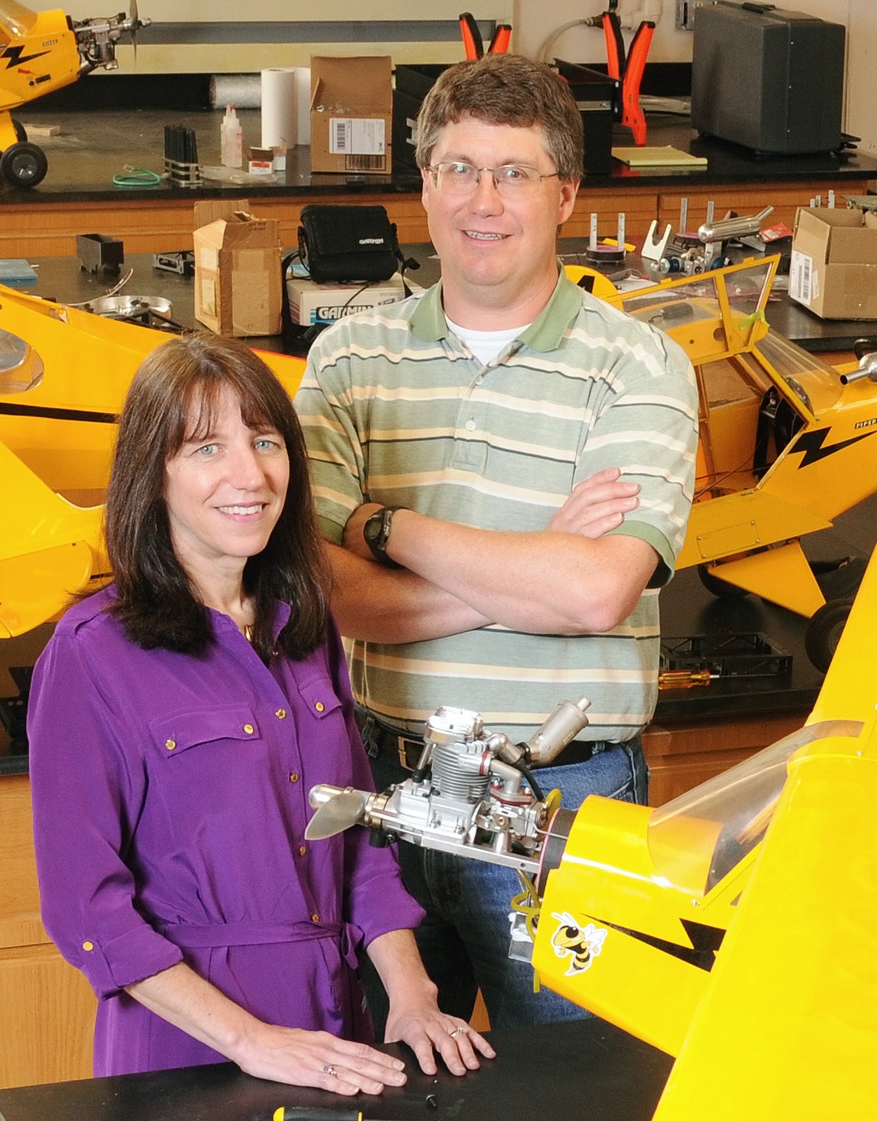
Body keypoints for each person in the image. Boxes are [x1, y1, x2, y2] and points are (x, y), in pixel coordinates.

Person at [297, 53, 698, 1027]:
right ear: (425, 186)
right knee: (373, 1082)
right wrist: (528, 567)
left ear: (565, 191)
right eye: (460, 169)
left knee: (578, 1092)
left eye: (513, 172)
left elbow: (595, 594)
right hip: (381, 793)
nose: (484, 200)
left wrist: (380, 524)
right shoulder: (350, 358)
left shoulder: (638, 366)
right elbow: (325, 590)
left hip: (556, 802)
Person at [30, 336, 490, 1092]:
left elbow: (357, 839)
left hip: (335, 1024)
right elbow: (86, 909)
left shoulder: (304, 628)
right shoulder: (90, 653)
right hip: (186, 1043)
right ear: (154, 474)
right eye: (207, 447)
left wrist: (410, 996)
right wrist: (251, 1042)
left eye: (265, 440)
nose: (250, 475)